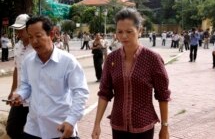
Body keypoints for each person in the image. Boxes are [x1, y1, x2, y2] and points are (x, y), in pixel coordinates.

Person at [91, 8, 171, 139]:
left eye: (129, 31)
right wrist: (96, 124)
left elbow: (163, 95)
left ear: (139, 31)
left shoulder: (152, 59)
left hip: (143, 126)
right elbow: (104, 93)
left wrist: (165, 126)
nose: (123, 36)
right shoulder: (111, 59)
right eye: (120, 32)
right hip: (118, 125)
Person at [10, 16, 89, 139]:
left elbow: (80, 93)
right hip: (33, 128)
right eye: (30, 37)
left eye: (38, 36)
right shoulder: (28, 61)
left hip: (60, 128)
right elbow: (26, 86)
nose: (34, 41)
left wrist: (71, 120)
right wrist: (20, 95)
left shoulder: (68, 62)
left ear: (51, 34)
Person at [6, 14, 34, 139]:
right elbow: (17, 69)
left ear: (29, 29)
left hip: (34, 97)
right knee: (12, 128)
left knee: (34, 130)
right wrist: (13, 90)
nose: (18, 34)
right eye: (17, 31)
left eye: (21, 30)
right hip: (19, 96)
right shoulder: (17, 46)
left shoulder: (36, 48)